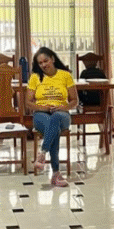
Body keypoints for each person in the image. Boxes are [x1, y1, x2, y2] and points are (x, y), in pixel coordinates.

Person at [26, 47, 79, 187]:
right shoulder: (35, 77)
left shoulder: (65, 75)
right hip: (41, 114)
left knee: (55, 120)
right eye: (40, 63)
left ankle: (42, 153)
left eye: (46, 60)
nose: (43, 65)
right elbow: (28, 102)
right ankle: (56, 174)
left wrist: (62, 107)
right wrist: (44, 108)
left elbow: (75, 100)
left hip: (62, 114)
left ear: (53, 59)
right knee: (53, 128)